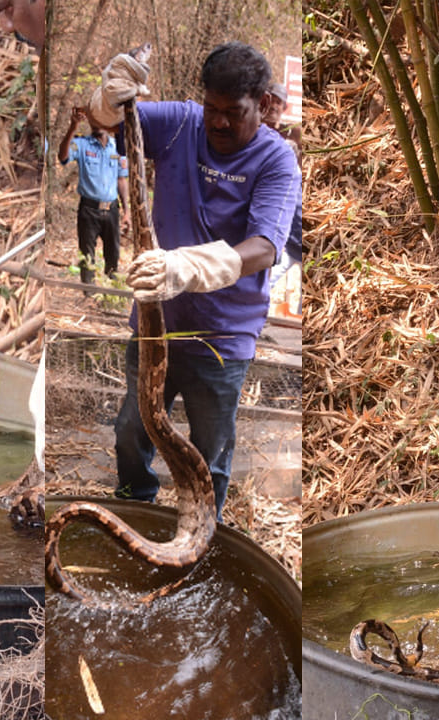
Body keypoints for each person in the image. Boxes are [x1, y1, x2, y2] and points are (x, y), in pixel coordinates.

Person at [91, 42, 301, 519]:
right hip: (156, 324)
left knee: (211, 451)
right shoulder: (182, 124)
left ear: (264, 104)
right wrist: (109, 98)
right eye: (212, 108)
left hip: (223, 336)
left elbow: (265, 247)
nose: (219, 122)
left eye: (234, 112)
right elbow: (112, 125)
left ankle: (203, 531)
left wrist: (185, 267)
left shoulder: (277, 160)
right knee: (131, 430)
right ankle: (135, 511)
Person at [58, 106, 129, 283]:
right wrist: (72, 128)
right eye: (93, 120)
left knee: (113, 254)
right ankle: (89, 291)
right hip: (89, 210)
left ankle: (111, 289)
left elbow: (121, 179)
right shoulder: (82, 144)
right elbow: (63, 157)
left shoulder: (118, 147)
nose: (97, 124)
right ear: (89, 122)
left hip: (111, 209)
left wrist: (127, 211)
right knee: (87, 255)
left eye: (101, 120)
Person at [262, 82, 302, 315]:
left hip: (282, 209)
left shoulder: (291, 133)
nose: (275, 106)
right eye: (272, 100)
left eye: (280, 102)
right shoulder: (253, 129)